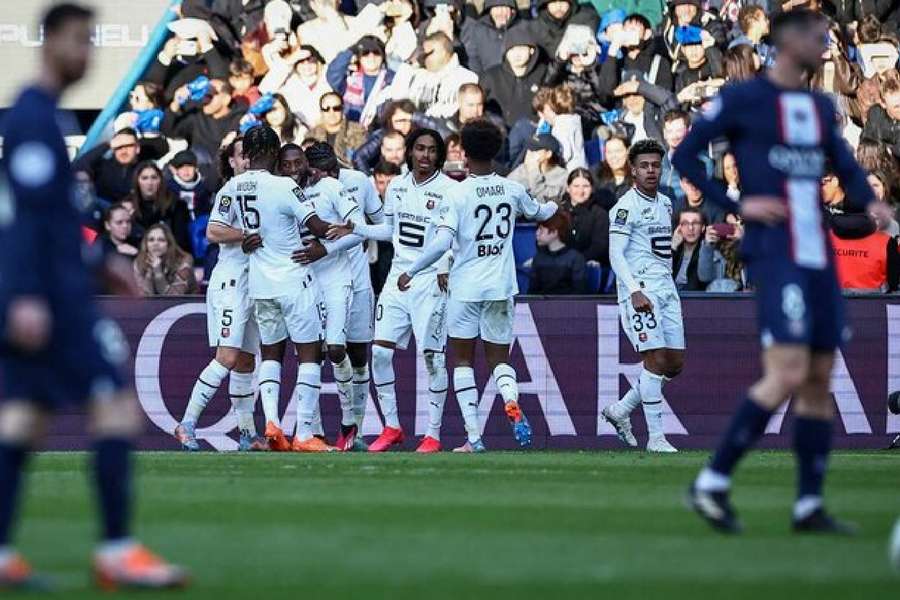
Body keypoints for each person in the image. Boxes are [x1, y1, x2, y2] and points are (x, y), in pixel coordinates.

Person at [674, 9, 893, 534]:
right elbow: (685, 155)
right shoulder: (746, 98)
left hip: (818, 250)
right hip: (777, 251)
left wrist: (874, 206)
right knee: (789, 372)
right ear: (788, 41)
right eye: (819, 37)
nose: (826, 46)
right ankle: (712, 481)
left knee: (818, 377)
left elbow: (842, 164)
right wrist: (734, 203)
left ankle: (808, 505)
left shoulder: (818, 105)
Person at [0, 4, 187, 588]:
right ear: (50, 40)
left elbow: (51, 220)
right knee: (112, 406)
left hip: (53, 290)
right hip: (51, 301)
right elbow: (27, 218)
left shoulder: (43, 118)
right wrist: (27, 295)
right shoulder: (32, 118)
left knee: (24, 422)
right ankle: (116, 550)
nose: (86, 54)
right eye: (79, 40)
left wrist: (99, 262)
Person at [395, 119, 558, 452]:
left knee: (463, 362)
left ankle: (473, 438)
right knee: (499, 359)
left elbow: (441, 245)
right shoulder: (512, 189)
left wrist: (411, 270)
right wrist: (557, 206)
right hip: (501, 286)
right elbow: (541, 212)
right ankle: (510, 399)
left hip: (466, 288)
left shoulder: (456, 193)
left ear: (464, 153)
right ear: (496, 152)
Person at [327, 129, 456, 453]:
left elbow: (450, 239)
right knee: (380, 353)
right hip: (397, 278)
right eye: (420, 148)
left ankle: (433, 433)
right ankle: (392, 426)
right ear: (410, 152)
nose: (425, 155)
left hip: (428, 281)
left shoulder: (450, 190)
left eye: (431, 150)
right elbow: (389, 229)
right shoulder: (396, 186)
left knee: (432, 358)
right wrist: (356, 228)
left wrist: (444, 266)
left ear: (438, 156)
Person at [233, 125, 335, 453]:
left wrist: (245, 239)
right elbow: (316, 225)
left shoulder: (233, 186)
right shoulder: (285, 186)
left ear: (246, 154)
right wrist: (349, 228)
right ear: (276, 152)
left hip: (261, 283)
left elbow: (216, 229)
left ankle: (273, 423)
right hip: (293, 278)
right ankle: (304, 432)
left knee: (271, 354)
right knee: (309, 353)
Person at [172, 135, 265, 453]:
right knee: (226, 357)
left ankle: (247, 434)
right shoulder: (229, 191)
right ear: (232, 161)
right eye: (242, 156)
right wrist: (246, 234)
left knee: (246, 362)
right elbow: (213, 231)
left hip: (256, 285)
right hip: (230, 283)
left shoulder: (266, 191)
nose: (248, 161)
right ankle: (186, 424)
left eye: (252, 155)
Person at [601, 139, 683, 454]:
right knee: (655, 359)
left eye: (655, 165)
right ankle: (657, 438)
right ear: (633, 170)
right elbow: (616, 253)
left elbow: (660, 251)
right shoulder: (624, 207)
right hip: (640, 292)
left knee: (674, 364)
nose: (651, 170)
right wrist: (634, 289)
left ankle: (621, 410)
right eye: (644, 166)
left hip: (666, 289)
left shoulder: (665, 202)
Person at [281, 143, 364, 452]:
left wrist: (324, 248)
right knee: (308, 355)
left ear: (308, 164)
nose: (292, 170)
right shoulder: (281, 193)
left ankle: (348, 421)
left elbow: (360, 229)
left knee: (336, 347)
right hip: (302, 281)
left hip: (335, 276)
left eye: (297, 163)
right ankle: (312, 429)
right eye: (285, 165)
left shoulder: (329, 186)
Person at [305, 143, 386, 451]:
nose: (333, 177)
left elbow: (377, 225)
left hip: (359, 280)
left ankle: (357, 432)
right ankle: (313, 430)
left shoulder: (359, 181)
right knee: (314, 353)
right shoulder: (304, 189)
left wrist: (351, 237)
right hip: (318, 279)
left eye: (335, 170)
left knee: (358, 355)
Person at [390, 32, 478, 119]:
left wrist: (423, 116)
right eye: (423, 54)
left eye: (428, 53)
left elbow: (454, 113)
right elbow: (396, 99)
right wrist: (409, 64)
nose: (423, 57)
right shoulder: (417, 75)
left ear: (444, 52)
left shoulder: (467, 78)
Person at [124, 161, 192, 254]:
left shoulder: (177, 205)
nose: (149, 183)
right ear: (137, 181)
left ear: (160, 180)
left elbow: (181, 242)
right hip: (136, 257)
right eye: (144, 178)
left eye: (154, 178)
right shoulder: (127, 205)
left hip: (169, 257)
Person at [560, 168, 610, 265]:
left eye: (585, 186)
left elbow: (599, 246)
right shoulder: (559, 212)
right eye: (576, 186)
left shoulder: (599, 214)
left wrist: (576, 260)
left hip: (587, 264)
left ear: (592, 188)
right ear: (568, 188)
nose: (581, 191)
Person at [529, 210, 586, 294]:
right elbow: (532, 292)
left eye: (541, 230)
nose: (537, 233)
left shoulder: (575, 259)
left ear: (554, 232)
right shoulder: (538, 258)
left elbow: (579, 292)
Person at [133, 223, 199, 296]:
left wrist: (158, 273)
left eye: (161, 240)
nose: (155, 244)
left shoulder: (184, 261)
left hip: (186, 305)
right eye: (151, 240)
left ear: (169, 244)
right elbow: (144, 298)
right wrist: (149, 273)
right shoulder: (139, 262)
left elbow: (173, 298)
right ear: (146, 244)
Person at [307, 91, 367, 166]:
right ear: (321, 111)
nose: (331, 112)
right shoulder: (312, 135)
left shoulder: (357, 131)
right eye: (326, 109)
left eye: (336, 108)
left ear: (343, 109)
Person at [460, 0, 520, 73]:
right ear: (490, 11)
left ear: (512, 10)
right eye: (497, 8)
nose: (501, 13)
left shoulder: (522, 29)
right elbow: (473, 60)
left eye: (505, 7)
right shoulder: (478, 31)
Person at [508, 134, 568, 204]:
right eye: (529, 149)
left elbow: (543, 201)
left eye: (535, 150)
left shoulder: (562, 176)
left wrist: (534, 171)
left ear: (548, 154)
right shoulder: (525, 167)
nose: (529, 153)